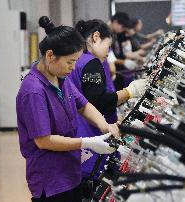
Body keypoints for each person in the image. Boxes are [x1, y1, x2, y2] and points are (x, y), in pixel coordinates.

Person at [16, 16, 120, 202]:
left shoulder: (61, 79)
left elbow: (84, 105)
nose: (73, 68)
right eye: (70, 62)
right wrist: (86, 143)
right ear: (50, 56)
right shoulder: (34, 91)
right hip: (51, 179)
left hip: (71, 170)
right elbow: (44, 140)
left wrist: (105, 127)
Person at [68, 19, 147, 199]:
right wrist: (130, 91)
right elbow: (99, 101)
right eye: (108, 45)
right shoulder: (91, 62)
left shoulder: (75, 61)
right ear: (96, 37)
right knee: (90, 187)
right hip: (90, 135)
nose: (108, 51)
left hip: (77, 132)